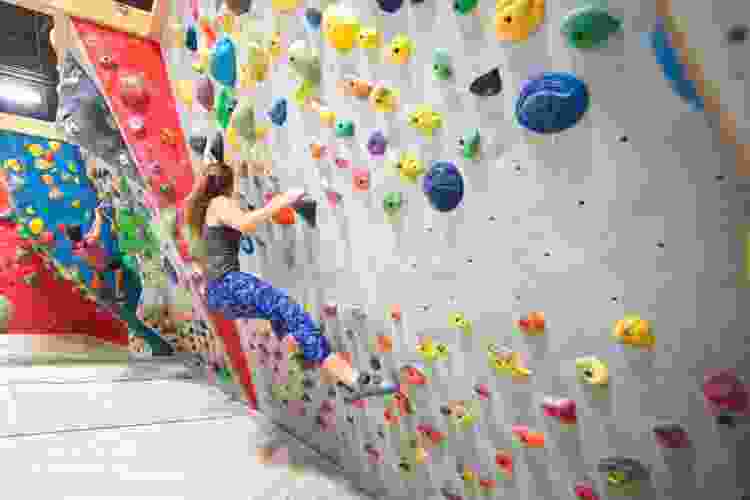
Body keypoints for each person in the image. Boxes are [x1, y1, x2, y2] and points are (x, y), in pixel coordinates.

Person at [185, 158, 395, 400]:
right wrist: (284, 200)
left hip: (218, 296)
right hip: (229, 284)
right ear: (228, 185)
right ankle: (350, 377)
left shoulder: (207, 210)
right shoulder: (219, 202)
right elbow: (245, 223)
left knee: (285, 317)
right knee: (289, 311)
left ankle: (333, 369)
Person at [64, 206, 126, 302]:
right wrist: (97, 214)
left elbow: (92, 232)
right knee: (119, 268)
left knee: (99, 274)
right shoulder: (90, 241)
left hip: (93, 265)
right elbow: (96, 232)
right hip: (103, 263)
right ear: (80, 233)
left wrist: (96, 219)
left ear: (70, 238)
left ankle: (101, 289)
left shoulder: (76, 246)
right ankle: (118, 292)